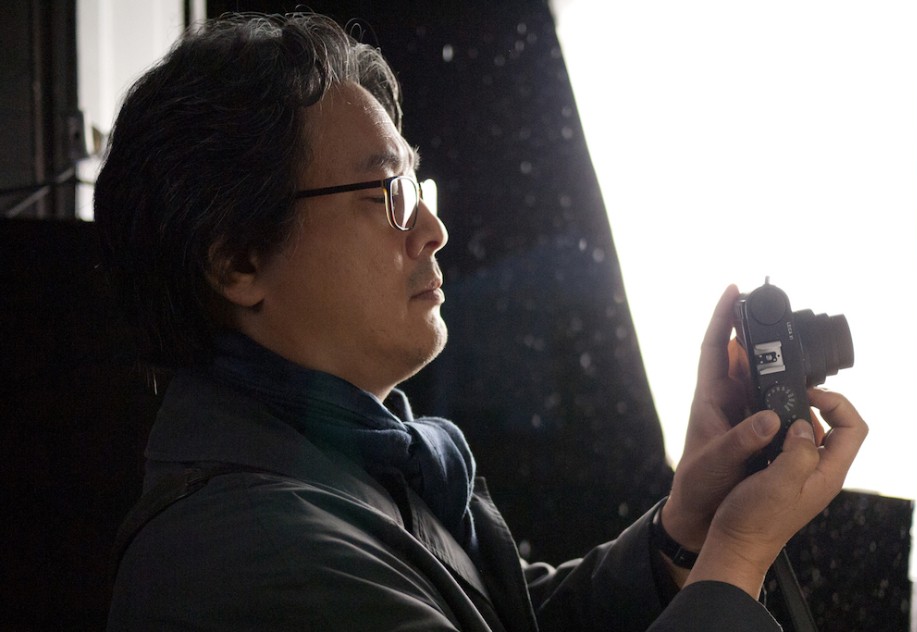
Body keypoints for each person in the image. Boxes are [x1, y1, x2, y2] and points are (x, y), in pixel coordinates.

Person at [96, 12, 867, 632]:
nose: (432, 230)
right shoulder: (251, 560)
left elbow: (510, 620)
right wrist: (738, 553)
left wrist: (687, 527)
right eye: (386, 194)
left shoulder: (356, 468)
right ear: (237, 261)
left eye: (417, 186)